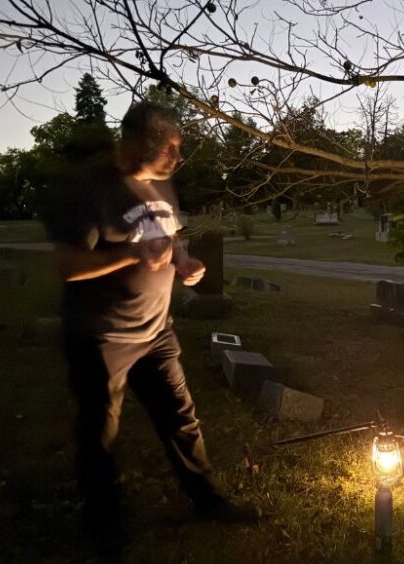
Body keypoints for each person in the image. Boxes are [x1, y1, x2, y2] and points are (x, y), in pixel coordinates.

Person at [46, 102, 254, 539]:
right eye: (170, 148)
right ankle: (105, 524)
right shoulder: (91, 190)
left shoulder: (161, 187)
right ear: (139, 142)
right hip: (103, 336)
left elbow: (169, 236)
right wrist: (130, 253)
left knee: (181, 419)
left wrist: (183, 261)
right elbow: (68, 265)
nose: (177, 158)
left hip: (156, 331)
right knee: (100, 431)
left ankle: (209, 501)